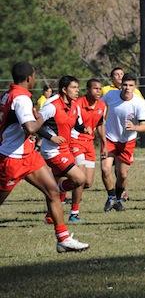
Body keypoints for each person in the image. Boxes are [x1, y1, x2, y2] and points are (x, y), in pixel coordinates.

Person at [0, 62, 88, 252]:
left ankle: (63, 239)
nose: (36, 79)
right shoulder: (21, 98)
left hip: (29, 154)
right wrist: (38, 116)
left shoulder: (8, 93)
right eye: (35, 76)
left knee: (53, 191)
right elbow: (31, 127)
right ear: (29, 78)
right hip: (12, 158)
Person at [38, 75, 90, 224]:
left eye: (77, 88)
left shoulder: (75, 106)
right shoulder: (52, 105)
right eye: (73, 88)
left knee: (58, 183)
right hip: (53, 151)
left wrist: (84, 128)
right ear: (64, 89)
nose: (77, 91)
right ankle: (61, 191)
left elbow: (77, 124)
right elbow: (34, 125)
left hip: (65, 149)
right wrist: (51, 137)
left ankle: (50, 216)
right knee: (80, 179)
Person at [101, 73, 145, 211]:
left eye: (131, 85)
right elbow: (99, 107)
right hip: (109, 138)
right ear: (121, 85)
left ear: (135, 87)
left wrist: (134, 127)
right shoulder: (111, 95)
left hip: (127, 142)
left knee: (122, 175)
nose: (127, 88)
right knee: (105, 169)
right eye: (125, 85)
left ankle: (116, 198)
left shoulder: (139, 102)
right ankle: (111, 197)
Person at [69, 78, 107, 222]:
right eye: (95, 88)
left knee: (88, 183)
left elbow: (100, 125)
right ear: (88, 90)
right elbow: (70, 122)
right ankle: (74, 213)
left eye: (100, 88)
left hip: (89, 144)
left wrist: (104, 142)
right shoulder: (77, 104)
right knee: (81, 178)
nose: (99, 91)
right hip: (75, 141)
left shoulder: (102, 105)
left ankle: (60, 186)